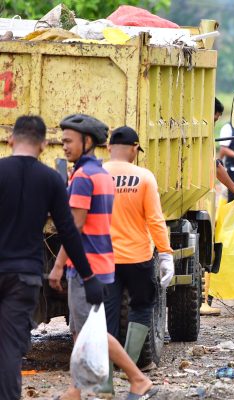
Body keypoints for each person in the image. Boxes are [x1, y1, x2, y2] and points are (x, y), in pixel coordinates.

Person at [49, 114, 156, 399]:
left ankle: (137, 378)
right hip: (102, 260)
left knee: (92, 332)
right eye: (63, 141)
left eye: (69, 141)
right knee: (83, 330)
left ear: (88, 142)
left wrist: (58, 266)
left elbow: (74, 229)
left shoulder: (84, 177)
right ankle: (77, 388)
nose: (64, 147)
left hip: (87, 264)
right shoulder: (99, 174)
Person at [0, 116, 104, 400]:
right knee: (10, 348)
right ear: (44, 146)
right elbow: (69, 232)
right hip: (24, 278)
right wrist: (89, 276)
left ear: (11, 140)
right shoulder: (51, 180)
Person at [102, 127, 174, 382]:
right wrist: (165, 253)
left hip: (105, 258)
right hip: (138, 257)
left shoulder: (95, 175)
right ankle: (130, 365)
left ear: (109, 147)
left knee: (107, 311)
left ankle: (107, 370)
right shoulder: (144, 177)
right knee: (141, 306)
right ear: (134, 148)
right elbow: (155, 219)